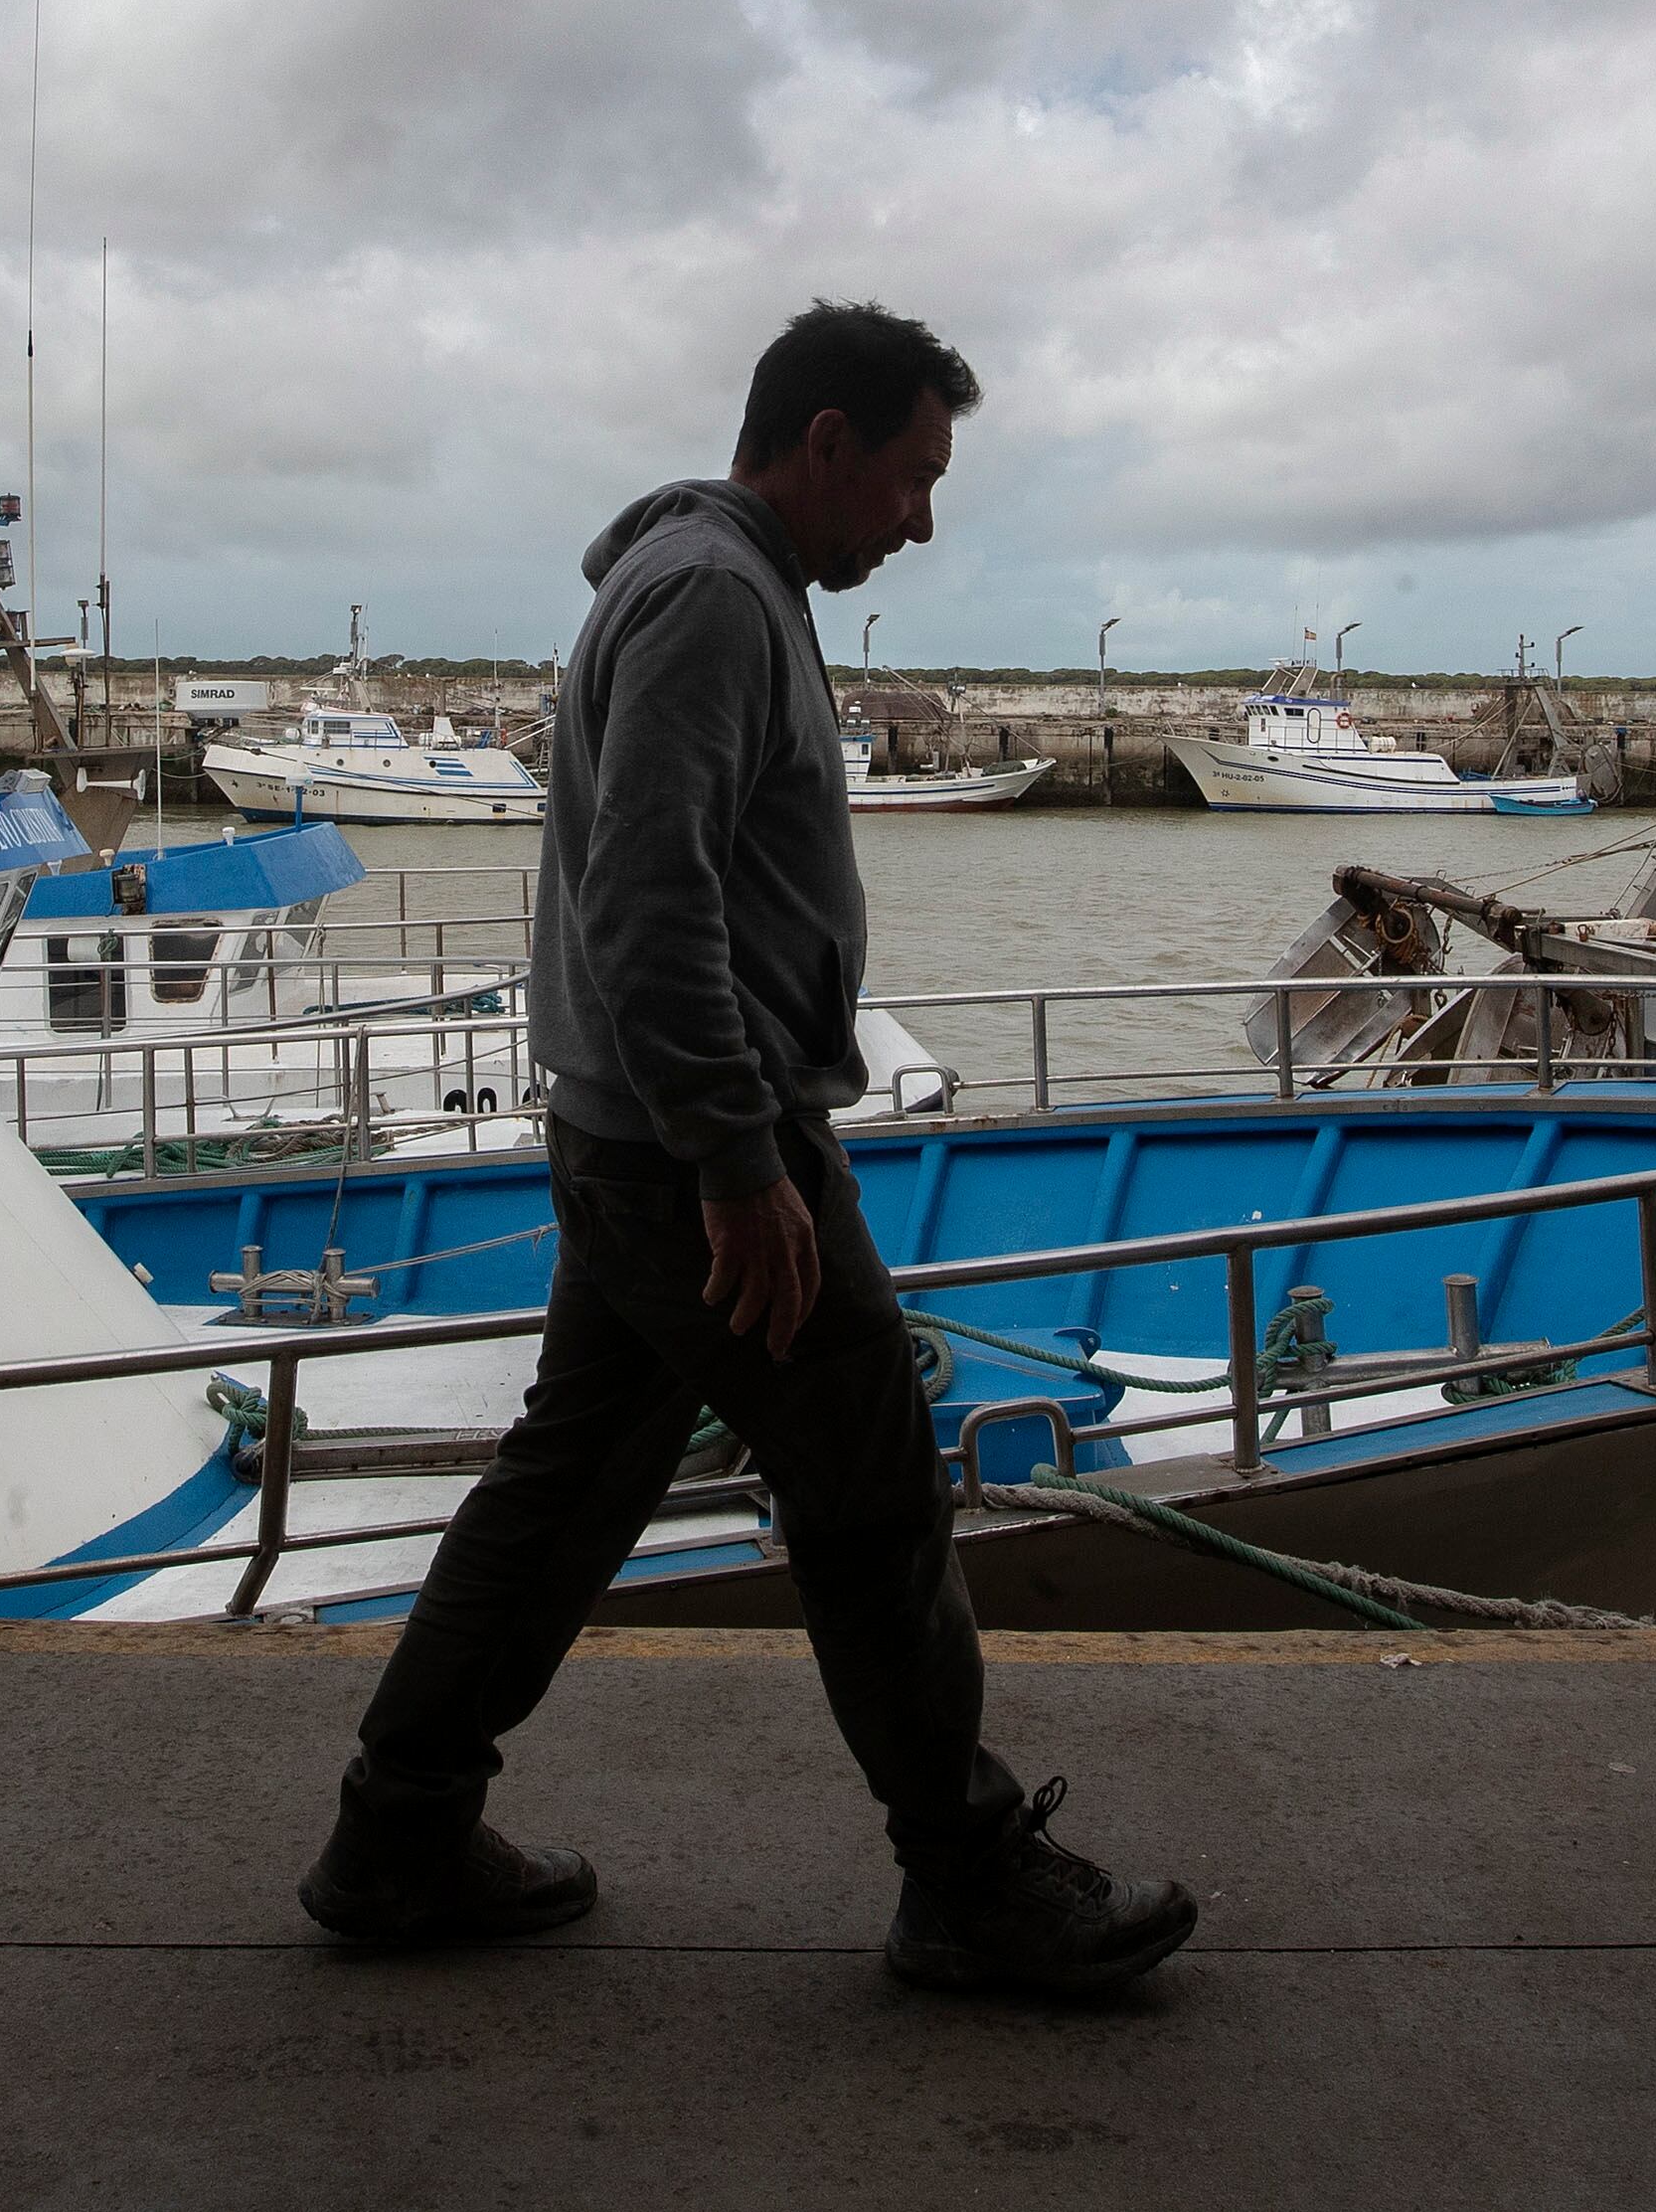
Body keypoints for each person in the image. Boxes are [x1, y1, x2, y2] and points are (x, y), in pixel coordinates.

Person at [296, 299, 1196, 1997]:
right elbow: (652, 900)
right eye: (915, 479)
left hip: (638, 1137)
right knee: (869, 1491)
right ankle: (971, 1874)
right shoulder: (715, 597)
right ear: (828, 442)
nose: (921, 524)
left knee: (569, 1487)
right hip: (690, 1152)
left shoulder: (705, 581)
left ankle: (398, 1832)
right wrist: (735, 1154)